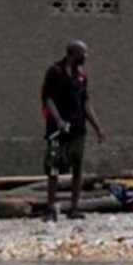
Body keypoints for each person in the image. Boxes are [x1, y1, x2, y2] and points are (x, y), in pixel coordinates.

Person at [40, 40, 106, 222]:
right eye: (82, 54)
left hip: (78, 129)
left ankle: (74, 207)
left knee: (77, 168)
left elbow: (85, 101)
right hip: (56, 131)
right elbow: (49, 99)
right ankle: (50, 208)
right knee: (53, 167)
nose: (84, 58)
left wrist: (97, 127)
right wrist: (59, 120)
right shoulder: (55, 72)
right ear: (72, 53)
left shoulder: (82, 74)